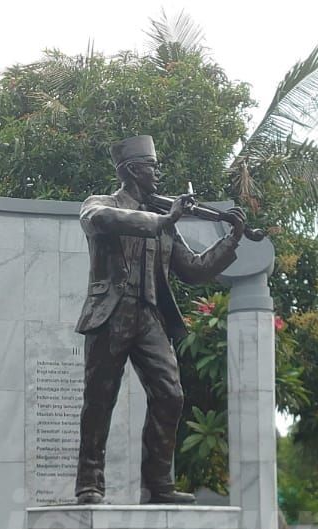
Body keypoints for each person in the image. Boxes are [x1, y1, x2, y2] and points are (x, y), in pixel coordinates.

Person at [74, 135, 245, 505]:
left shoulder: (166, 221)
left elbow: (195, 270)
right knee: (100, 399)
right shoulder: (101, 205)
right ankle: (90, 482)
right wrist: (163, 218)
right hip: (111, 313)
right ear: (134, 170)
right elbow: (101, 220)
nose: (157, 174)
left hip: (149, 315)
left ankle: (157, 485)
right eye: (152, 167)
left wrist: (232, 239)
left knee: (170, 395)